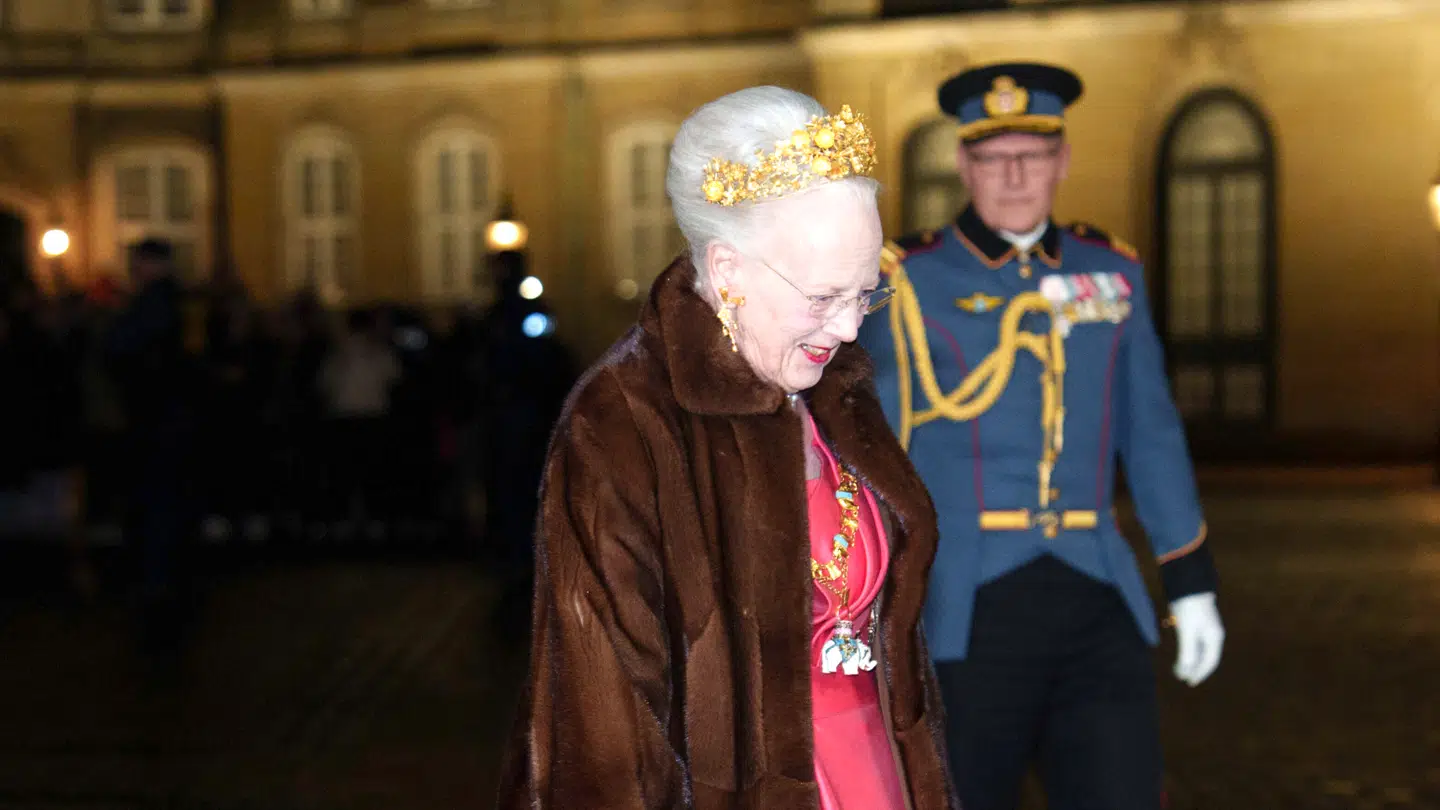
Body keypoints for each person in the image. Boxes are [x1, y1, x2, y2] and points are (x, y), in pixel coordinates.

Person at [497, 87, 954, 810]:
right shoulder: (622, 425)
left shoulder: (835, 388)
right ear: (729, 270)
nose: (848, 328)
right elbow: (604, 732)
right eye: (823, 297)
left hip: (877, 776)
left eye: (866, 293)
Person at [857, 63, 1226, 810]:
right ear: (964, 163)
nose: (1014, 175)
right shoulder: (905, 279)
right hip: (962, 602)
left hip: (1096, 589)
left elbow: (1150, 433)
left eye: (1032, 153)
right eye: (994, 156)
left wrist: (1190, 583)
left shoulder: (1110, 271)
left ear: (1063, 159)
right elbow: (873, 442)